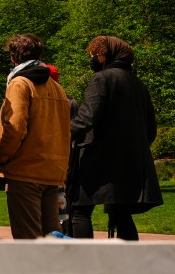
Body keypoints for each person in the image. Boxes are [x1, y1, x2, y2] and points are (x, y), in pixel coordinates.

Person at [68, 36, 162, 240]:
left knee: (80, 211)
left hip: (98, 158)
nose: (93, 59)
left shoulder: (102, 78)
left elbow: (86, 119)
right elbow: (151, 129)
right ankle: (129, 265)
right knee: (121, 214)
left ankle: (83, 263)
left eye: (95, 55)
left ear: (105, 55)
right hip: (129, 162)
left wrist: (60, 135)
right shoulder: (138, 84)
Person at [0, 34, 71, 239]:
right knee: (51, 239)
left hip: (24, 172)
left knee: (28, 242)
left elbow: (14, 128)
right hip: (52, 173)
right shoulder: (57, 88)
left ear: (13, 58)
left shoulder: (20, 84)